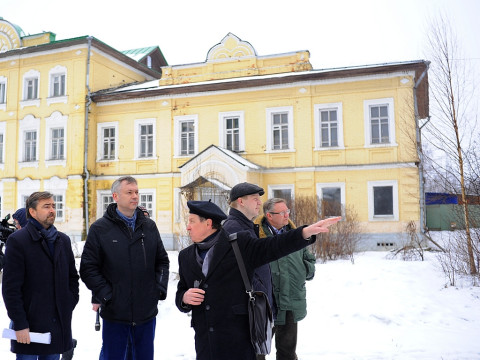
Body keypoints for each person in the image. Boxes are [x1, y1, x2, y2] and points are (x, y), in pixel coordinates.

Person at [175, 200, 341, 360]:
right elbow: (181, 291)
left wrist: (304, 233)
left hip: (237, 343)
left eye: (192, 221)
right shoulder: (186, 256)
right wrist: (184, 298)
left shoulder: (238, 244)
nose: (188, 226)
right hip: (206, 345)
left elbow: (273, 246)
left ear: (208, 223)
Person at [80, 176, 170, 360]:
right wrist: (107, 295)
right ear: (115, 196)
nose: (135, 196)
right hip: (115, 314)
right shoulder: (100, 229)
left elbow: (162, 261)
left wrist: (158, 290)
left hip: (146, 314)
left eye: (136, 192)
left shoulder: (149, 226)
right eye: (129, 192)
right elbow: (88, 268)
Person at [2, 192, 80, 360]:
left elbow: (72, 278)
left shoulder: (63, 240)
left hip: (57, 325)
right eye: (46, 206)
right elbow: (11, 289)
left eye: (53, 206)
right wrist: (20, 324)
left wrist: (67, 302)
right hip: (29, 326)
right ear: (32, 212)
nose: (52, 210)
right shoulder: (18, 241)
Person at [254, 198, 316, 360]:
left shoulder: (296, 235)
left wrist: (304, 271)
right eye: (282, 213)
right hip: (265, 305)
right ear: (269, 215)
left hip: (289, 303)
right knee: (257, 353)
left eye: (287, 211)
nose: (286, 215)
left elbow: (309, 261)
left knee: (287, 353)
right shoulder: (257, 237)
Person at [93, 205, 150, 360]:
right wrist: (99, 297)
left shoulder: (148, 235)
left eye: (146, 216)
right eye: (142, 216)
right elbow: (99, 267)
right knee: (113, 346)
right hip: (116, 302)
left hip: (140, 305)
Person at [222, 182, 276, 329]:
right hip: (248, 310)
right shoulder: (234, 228)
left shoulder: (246, 225)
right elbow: (237, 272)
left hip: (255, 306)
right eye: (255, 198)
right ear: (241, 202)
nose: (260, 202)